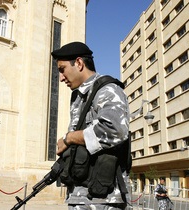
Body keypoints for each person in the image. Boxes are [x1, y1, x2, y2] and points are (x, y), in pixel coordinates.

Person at [51, 41, 130, 210]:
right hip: (81, 195)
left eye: (62, 69)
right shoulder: (79, 96)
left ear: (79, 63)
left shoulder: (107, 89)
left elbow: (115, 130)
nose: (61, 77)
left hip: (103, 198)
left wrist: (69, 138)